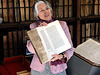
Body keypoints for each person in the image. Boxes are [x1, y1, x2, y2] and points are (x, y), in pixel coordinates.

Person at [27, 0, 74, 75]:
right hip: (39, 69)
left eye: (47, 8)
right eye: (42, 10)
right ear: (37, 15)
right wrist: (38, 32)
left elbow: (70, 49)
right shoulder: (34, 26)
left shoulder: (62, 25)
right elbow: (31, 50)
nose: (46, 12)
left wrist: (62, 56)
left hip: (59, 68)